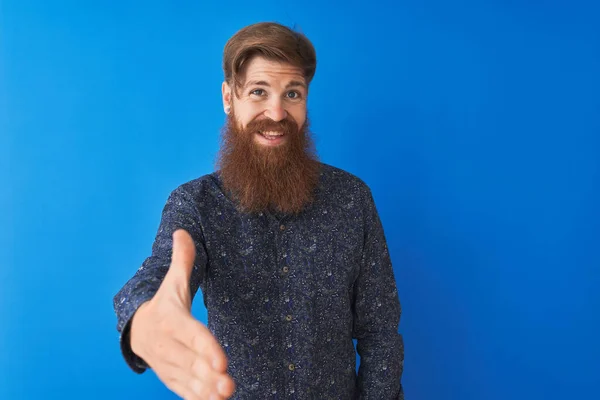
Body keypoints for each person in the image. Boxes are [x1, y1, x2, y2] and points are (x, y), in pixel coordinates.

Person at [113, 21, 404, 400]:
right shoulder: (195, 203)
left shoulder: (353, 198)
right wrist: (144, 320)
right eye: (258, 91)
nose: (277, 113)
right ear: (229, 98)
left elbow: (380, 333)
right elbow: (160, 272)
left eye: (293, 94)